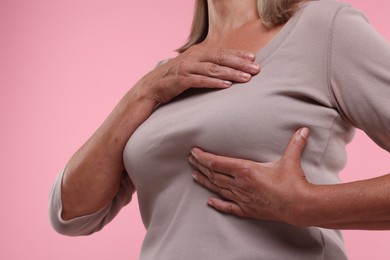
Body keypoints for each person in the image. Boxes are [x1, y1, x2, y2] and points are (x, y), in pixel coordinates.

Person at [49, 0, 390, 259]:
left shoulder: (325, 27)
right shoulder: (168, 77)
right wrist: (144, 91)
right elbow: (72, 214)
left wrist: (304, 204)